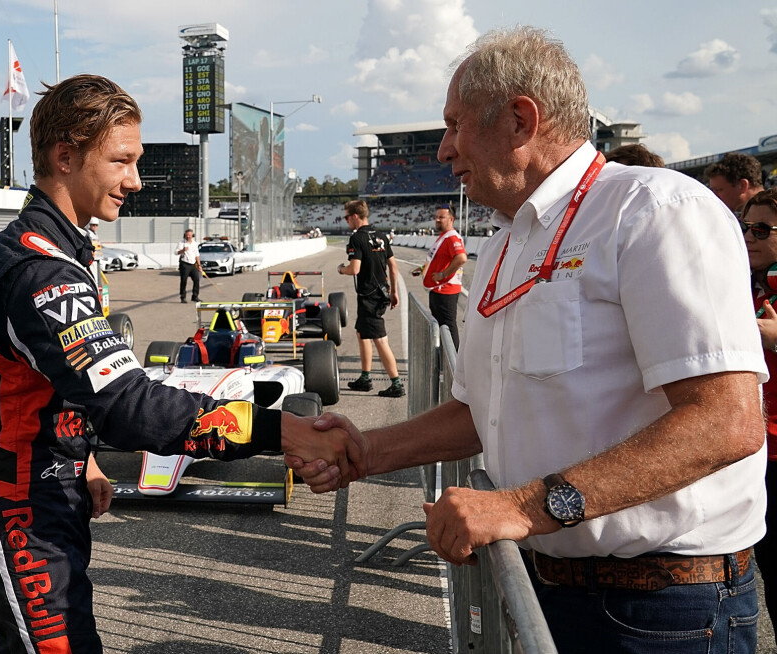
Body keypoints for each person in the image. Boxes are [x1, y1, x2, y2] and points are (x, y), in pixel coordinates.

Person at [291, 27, 767, 653]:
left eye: (455, 125)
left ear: (520, 119)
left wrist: (520, 508)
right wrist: (368, 450)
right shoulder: (508, 242)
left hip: (662, 608)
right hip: (553, 587)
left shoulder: (653, 209)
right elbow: (485, 412)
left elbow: (725, 423)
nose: (442, 149)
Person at [0, 73, 358, 654]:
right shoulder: (43, 269)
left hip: (52, 487)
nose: (137, 180)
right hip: (23, 507)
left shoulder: (64, 247)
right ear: (65, 157)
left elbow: (56, 384)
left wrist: (83, 459)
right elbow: (129, 404)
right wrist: (282, 430)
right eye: (121, 161)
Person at [741, 187, 777, 636]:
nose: (750, 237)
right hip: (756, 450)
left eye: (762, 230)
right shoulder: (744, 284)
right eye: (746, 227)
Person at [338, 199, 404, 398]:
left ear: (355, 216)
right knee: (361, 333)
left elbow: (354, 269)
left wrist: (341, 269)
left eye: (347, 217)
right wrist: (394, 292)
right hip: (381, 293)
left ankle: (396, 383)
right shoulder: (382, 235)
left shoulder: (357, 238)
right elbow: (393, 266)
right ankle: (365, 378)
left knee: (380, 340)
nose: (346, 220)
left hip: (369, 296)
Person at [411, 205, 466, 352]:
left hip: (446, 290)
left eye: (441, 217)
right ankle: (445, 358)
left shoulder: (452, 237)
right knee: (441, 326)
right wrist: (422, 269)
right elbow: (436, 261)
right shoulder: (443, 237)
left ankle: (452, 362)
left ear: (451, 219)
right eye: (436, 217)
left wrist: (443, 274)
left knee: (447, 326)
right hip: (437, 289)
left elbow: (461, 258)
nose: (437, 220)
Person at [175, 228, 201, 303]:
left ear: (192, 235)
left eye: (190, 235)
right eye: (187, 235)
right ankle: (183, 297)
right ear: (185, 236)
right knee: (184, 281)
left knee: (196, 280)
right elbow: (176, 252)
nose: (188, 237)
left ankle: (195, 296)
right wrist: (183, 250)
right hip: (185, 264)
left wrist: (199, 265)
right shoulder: (181, 243)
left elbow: (197, 255)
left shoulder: (195, 243)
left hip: (193, 264)